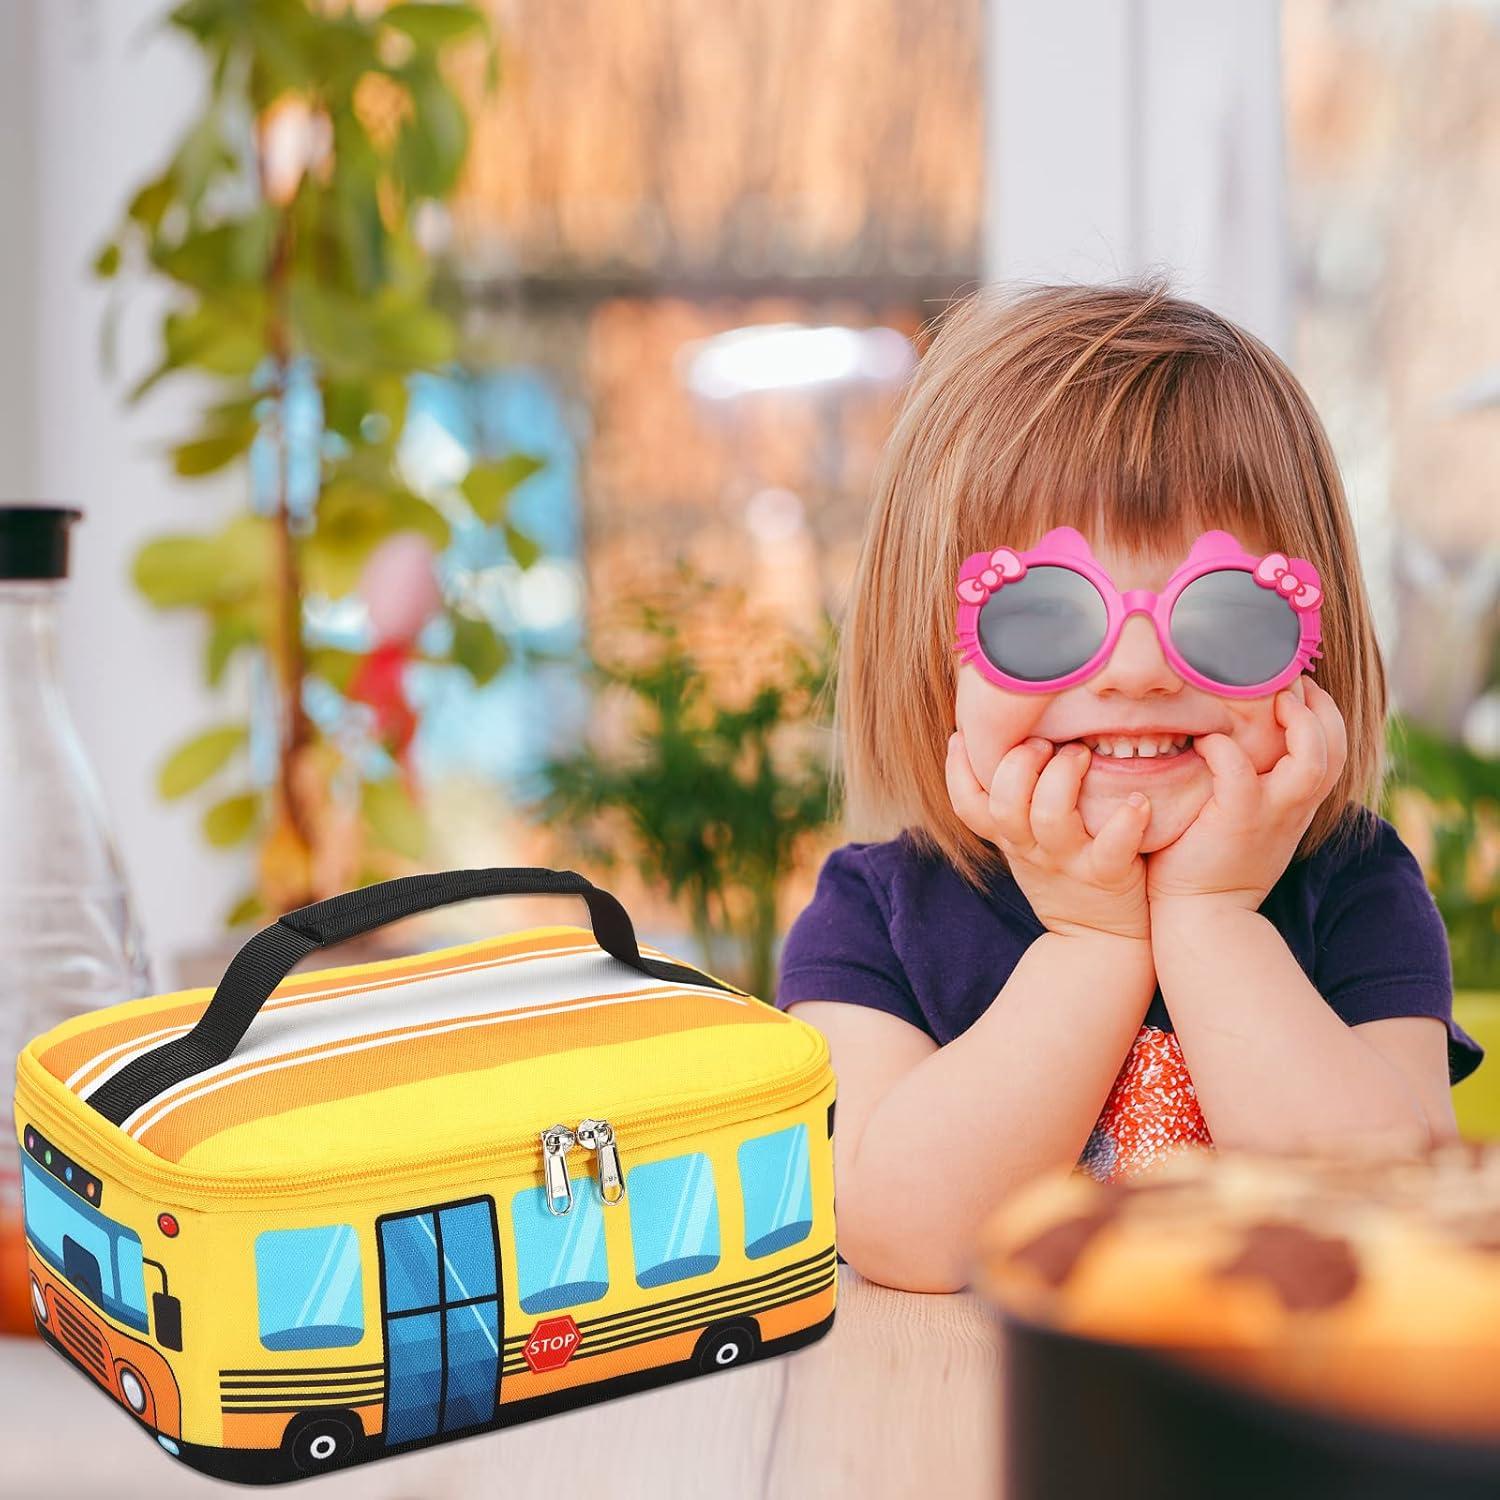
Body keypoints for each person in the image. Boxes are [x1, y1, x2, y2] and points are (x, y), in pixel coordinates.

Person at [776, 281, 1485, 1294]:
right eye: (1047, 620)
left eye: (1226, 617)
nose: (1141, 669)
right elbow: (904, 1237)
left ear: (1312, 652)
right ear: (931, 656)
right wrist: (1094, 943)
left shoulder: (1356, 886)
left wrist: (1212, 920)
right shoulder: (877, 912)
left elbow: (1388, 1218)